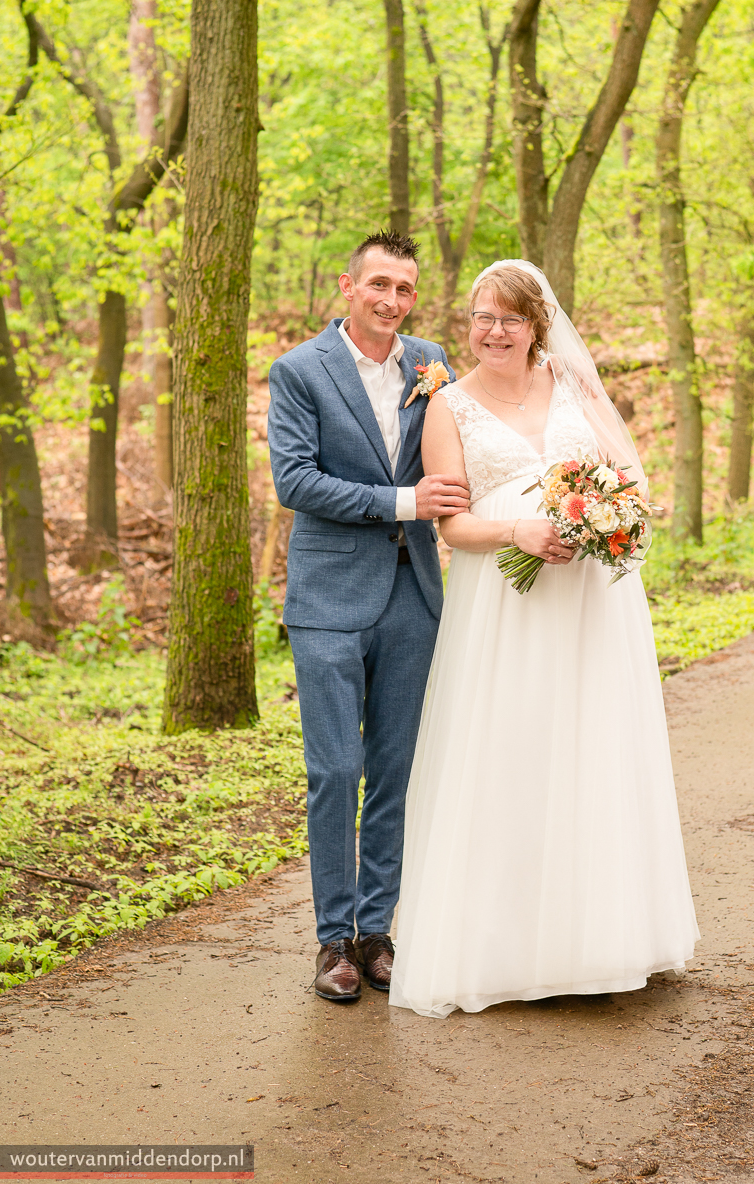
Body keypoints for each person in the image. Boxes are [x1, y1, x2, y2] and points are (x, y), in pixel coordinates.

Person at [388, 259, 699, 1018]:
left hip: (590, 600)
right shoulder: (447, 405)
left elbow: (628, 476)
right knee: (512, 751)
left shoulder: (571, 383)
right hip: (503, 607)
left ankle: (602, 939)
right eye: (480, 317)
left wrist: (604, 517)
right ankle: (509, 948)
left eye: (508, 319)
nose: (492, 332)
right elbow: (452, 525)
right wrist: (519, 528)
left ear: (537, 324)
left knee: (593, 749)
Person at [267, 230, 468, 1004]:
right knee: (334, 770)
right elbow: (296, 481)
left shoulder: (430, 361)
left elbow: (462, 446)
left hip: (412, 595)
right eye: (378, 285)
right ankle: (332, 940)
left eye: (404, 289)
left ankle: (377, 933)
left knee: (393, 771)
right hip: (327, 600)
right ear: (348, 287)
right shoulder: (299, 371)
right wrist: (401, 501)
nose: (391, 301)